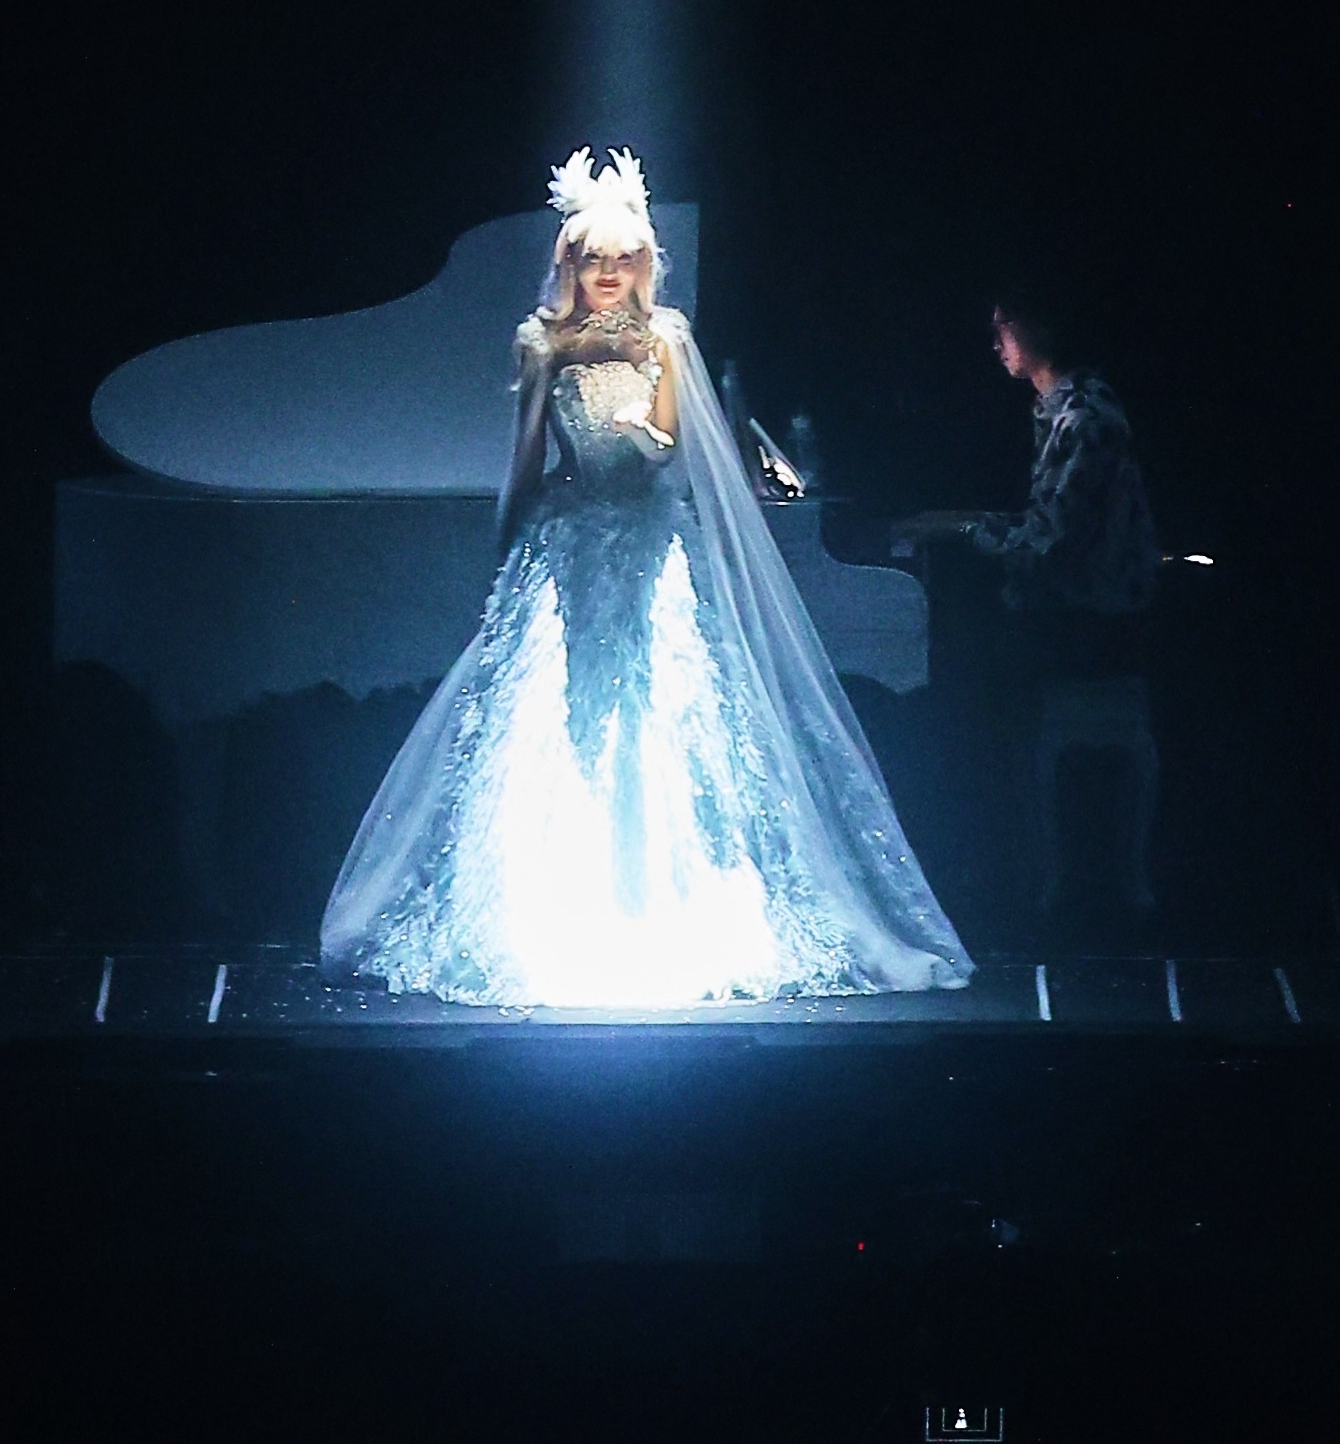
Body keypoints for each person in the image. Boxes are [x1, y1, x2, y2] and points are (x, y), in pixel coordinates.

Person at [318, 149, 972, 1003]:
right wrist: (508, 537)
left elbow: (666, 445)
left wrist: (639, 423)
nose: (609, 274)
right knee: (553, 710)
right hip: (571, 544)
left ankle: (664, 895)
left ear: (643, 265)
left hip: (648, 546)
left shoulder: (665, 337)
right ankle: (554, 897)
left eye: (624, 259)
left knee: (660, 703)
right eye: (595, 259)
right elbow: (526, 453)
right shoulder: (542, 342)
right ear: (571, 263)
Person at [899, 300, 1161, 928]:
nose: (996, 343)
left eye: (1004, 328)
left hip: (1094, 619)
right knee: (958, 654)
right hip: (1070, 605)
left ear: (1038, 328)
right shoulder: (1061, 408)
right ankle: (987, 863)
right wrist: (957, 523)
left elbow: (1050, 542)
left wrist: (961, 529)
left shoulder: (1088, 417)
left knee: (963, 679)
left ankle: (994, 875)